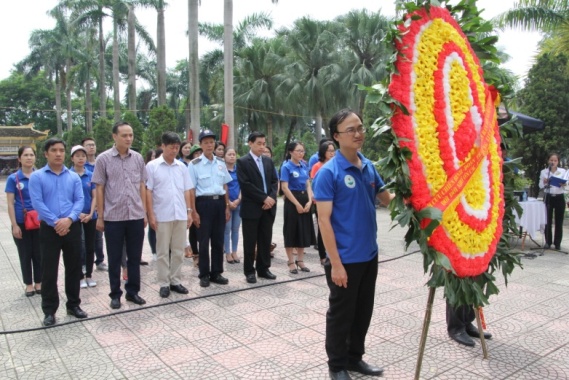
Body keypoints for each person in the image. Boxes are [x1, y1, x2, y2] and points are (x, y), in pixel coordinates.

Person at [313, 109, 393, 380]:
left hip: (369, 254)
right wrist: (335, 264)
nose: (358, 133)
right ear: (336, 137)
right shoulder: (328, 173)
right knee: (341, 314)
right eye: (351, 129)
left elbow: (386, 199)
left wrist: (417, 193)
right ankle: (336, 365)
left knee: (362, 311)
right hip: (344, 259)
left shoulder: (368, 165)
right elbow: (324, 221)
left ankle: (355, 358)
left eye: (360, 127)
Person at [29, 138, 87, 326]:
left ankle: (73, 304)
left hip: (71, 226)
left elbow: (79, 201)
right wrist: (56, 222)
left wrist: (69, 219)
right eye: (54, 150)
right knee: (49, 270)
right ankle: (49, 310)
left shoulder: (73, 177)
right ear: (46, 154)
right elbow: (37, 203)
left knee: (73, 268)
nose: (58, 153)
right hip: (49, 228)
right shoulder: (37, 177)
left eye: (61, 150)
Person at [92, 121, 148, 310]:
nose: (128, 138)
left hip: (135, 216)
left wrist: (144, 212)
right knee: (115, 258)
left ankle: (133, 292)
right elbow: (99, 188)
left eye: (130, 135)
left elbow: (142, 185)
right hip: (113, 217)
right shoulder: (103, 159)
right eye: (124, 135)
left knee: (134, 257)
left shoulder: (138, 158)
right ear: (114, 137)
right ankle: (115, 294)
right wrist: (100, 216)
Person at [146, 132, 194, 298]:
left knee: (178, 250)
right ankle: (164, 283)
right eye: (171, 147)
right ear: (163, 146)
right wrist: (150, 214)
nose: (174, 150)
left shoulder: (182, 167)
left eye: (177, 147)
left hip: (180, 214)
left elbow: (187, 190)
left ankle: (175, 280)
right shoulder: (152, 166)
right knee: (162, 252)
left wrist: (189, 212)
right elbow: (148, 191)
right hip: (162, 215)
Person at [188, 130, 232, 288]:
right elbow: (191, 190)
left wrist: (227, 207)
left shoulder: (221, 163)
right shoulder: (194, 165)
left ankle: (217, 272)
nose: (209, 145)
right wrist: (193, 211)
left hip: (219, 203)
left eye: (211, 142)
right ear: (200, 145)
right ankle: (204, 274)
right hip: (203, 205)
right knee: (204, 241)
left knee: (219, 240)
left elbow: (225, 185)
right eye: (205, 142)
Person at [236, 131, 279, 284]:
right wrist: (264, 197)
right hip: (252, 208)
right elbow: (246, 185)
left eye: (263, 143)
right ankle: (249, 271)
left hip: (268, 208)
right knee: (250, 241)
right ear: (250, 143)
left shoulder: (268, 161)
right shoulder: (242, 162)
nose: (262, 147)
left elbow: (274, 182)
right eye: (259, 144)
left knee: (265, 239)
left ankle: (263, 268)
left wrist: (272, 198)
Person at [5, 146, 42, 297]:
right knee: (25, 253)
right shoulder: (13, 178)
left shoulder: (40, 176)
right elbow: (10, 203)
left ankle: (39, 282)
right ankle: (28, 284)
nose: (29, 158)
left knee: (39, 254)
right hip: (22, 222)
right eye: (25, 155)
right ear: (19, 159)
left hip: (39, 222)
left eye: (31, 155)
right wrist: (14, 225)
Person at [281, 141, 315, 274]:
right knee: (291, 230)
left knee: (303, 230)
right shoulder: (286, 167)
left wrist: (310, 201)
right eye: (298, 151)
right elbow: (284, 187)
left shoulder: (304, 165)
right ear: (291, 152)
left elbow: (308, 184)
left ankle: (300, 260)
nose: (301, 153)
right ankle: (290, 261)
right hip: (292, 200)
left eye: (302, 151)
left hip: (304, 199)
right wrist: (297, 204)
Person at [69, 145, 98, 288]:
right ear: (72, 158)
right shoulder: (67, 175)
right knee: (77, 246)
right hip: (74, 217)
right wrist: (77, 213)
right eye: (77, 155)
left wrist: (91, 213)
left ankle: (89, 275)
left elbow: (95, 196)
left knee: (90, 246)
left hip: (90, 216)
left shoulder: (91, 175)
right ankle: (79, 276)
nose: (81, 158)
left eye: (83, 155)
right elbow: (67, 198)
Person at [82, 137, 107, 271]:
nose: (91, 147)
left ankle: (100, 260)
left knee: (99, 236)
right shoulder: (81, 166)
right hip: (86, 207)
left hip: (101, 206)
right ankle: (85, 262)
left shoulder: (101, 162)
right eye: (88, 145)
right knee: (84, 239)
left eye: (93, 144)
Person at [310, 141, 336, 265]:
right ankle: (322, 255)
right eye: (329, 150)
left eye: (333, 150)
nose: (332, 153)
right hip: (321, 202)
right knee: (322, 228)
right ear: (323, 152)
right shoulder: (317, 166)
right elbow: (314, 185)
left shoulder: (337, 165)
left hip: (335, 202)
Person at [539, 153, 567, 250]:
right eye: (551, 160)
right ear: (548, 161)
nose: (553, 162)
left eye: (555, 161)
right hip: (548, 197)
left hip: (559, 197)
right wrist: (544, 182)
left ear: (558, 162)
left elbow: (567, 184)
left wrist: (563, 184)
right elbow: (540, 186)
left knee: (559, 221)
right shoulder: (544, 172)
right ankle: (548, 242)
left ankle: (557, 243)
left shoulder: (563, 171)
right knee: (548, 220)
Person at [224, 148, 242, 264]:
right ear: (224, 157)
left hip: (239, 203)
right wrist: (228, 203)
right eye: (229, 154)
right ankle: (227, 252)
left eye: (233, 154)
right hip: (226, 204)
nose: (232, 156)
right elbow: (222, 186)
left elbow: (243, 186)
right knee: (226, 229)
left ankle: (235, 251)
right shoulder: (222, 170)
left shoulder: (239, 170)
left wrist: (238, 200)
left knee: (236, 229)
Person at [186, 144, 203, 263]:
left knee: (202, 229)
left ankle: (203, 254)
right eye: (196, 154)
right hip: (192, 201)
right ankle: (195, 254)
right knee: (193, 229)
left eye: (199, 153)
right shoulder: (189, 167)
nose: (198, 155)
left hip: (203, 201)